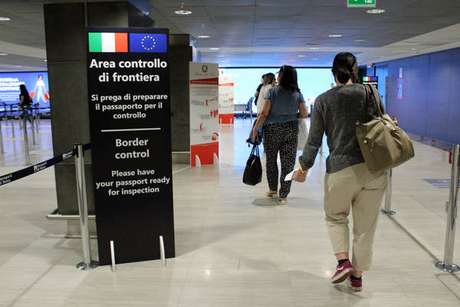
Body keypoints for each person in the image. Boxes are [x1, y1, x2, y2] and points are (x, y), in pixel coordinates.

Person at [293, 52, 386, 292]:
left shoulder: (324, 100)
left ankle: (343, 261)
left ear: (333, 72)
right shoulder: (371, 93)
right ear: (355, 71)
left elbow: (314, 141)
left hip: (341, 169)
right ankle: (357, 277)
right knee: (365, 227)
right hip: (374, 169)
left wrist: (303, 166)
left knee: (336, 216)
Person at [252, 65, 308, 204]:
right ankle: (283, 195)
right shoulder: (297, 93)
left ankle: (272, 189)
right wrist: (291, 115)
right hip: (291, 130)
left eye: (279, 73)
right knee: (288, 164)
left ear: (283, 76)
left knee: (271, 161)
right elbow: (304, 113)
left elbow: (264, 113)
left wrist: (255, 129)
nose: (277, 76)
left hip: (272, 130)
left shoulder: (273, 91)